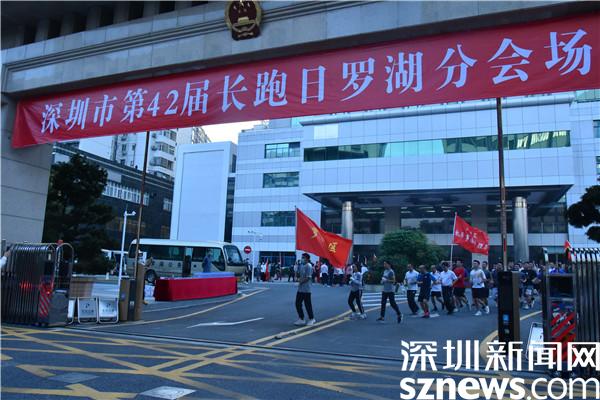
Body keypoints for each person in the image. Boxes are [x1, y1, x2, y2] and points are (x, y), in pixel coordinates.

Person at [294, 253, 316, 326]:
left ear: (307, 259)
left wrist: (299, 282)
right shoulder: (302, 266)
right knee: (297, 303)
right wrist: (296, 271)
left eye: (303, 257)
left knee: (307, 305)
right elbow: (299, 275)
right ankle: (301, 318)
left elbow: (308, 277)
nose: (302, 259)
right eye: (302, 257)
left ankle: (312, 318)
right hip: (300, 289)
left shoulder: (309, 266)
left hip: (306, 289)